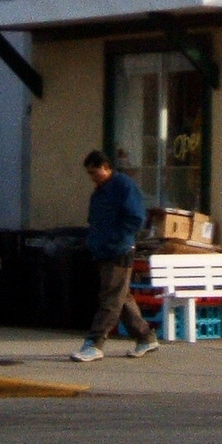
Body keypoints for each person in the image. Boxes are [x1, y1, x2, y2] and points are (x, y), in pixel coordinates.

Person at [71, 150, 159, 362]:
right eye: (90, 174)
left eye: (95, 172)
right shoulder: (100, 192)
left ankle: (95, 342)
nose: (93, 178)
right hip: (103, 250)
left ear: (106, 167)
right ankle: (145, 336)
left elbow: (136, 217)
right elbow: (95, 220)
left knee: (110, 298)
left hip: (119, 250)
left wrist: (117, 238)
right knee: (121, 297)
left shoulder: (123, 186)